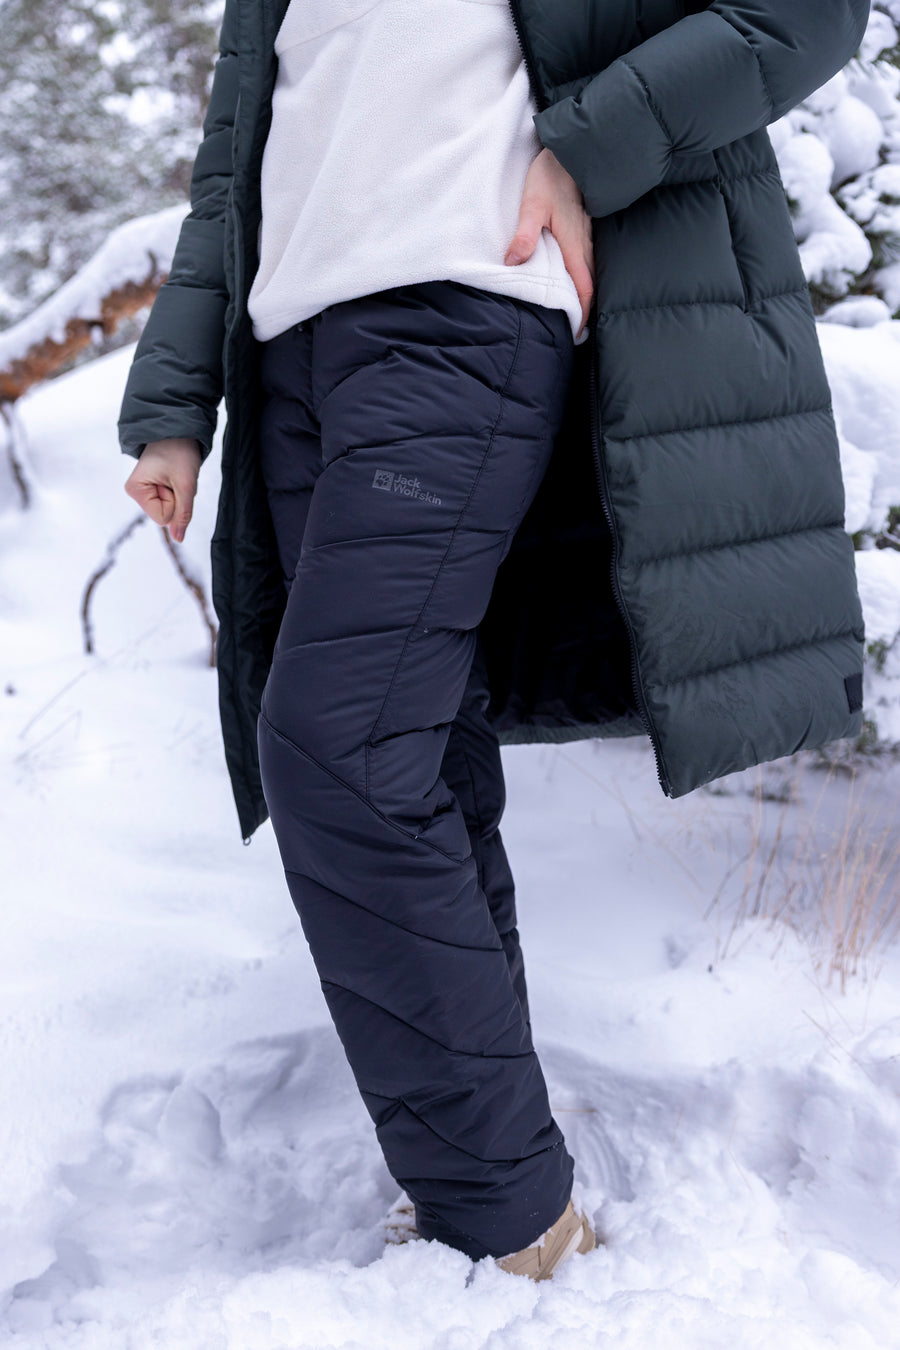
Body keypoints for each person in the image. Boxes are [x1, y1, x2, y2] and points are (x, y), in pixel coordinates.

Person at [118, 0, 870, 1284]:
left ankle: (506, 1217)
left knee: (339, 748)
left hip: (463, 303)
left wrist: (587, 149)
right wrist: (176, 401)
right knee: (421, 755)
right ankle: (498, 1172)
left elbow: (803, 12)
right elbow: (236, 154)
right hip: (297, 353)